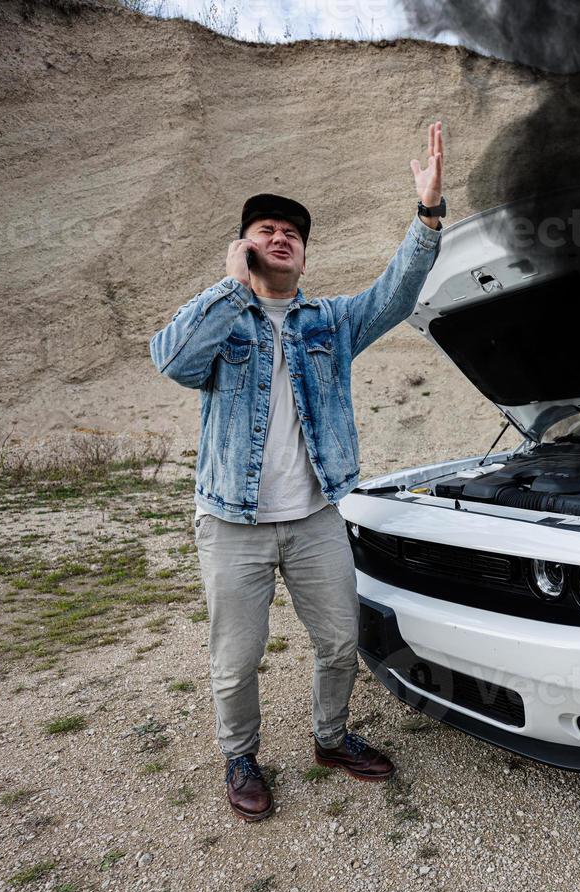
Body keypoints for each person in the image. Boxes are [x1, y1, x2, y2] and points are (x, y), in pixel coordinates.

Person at [149, 122, 447, 822]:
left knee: (341, 640)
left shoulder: (332, 323)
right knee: (236, 659)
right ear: (245, 245)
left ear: (306, 257)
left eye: (292, 232)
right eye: (265, 228)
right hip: (233, 522)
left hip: (315, 518)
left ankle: (331, 737)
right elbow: (171, 359)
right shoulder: (223, 322)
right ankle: (241, 755)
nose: (279, 236)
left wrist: (427, 214)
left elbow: (397, 292)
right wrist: (232, 287)